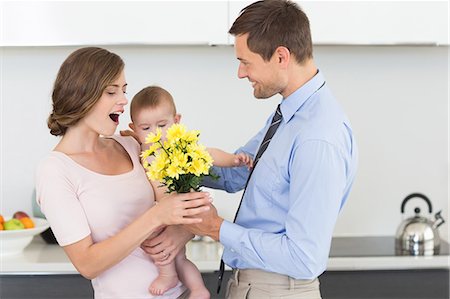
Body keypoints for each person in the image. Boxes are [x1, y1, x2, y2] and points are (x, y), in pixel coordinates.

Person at [141, 1, 358, 298]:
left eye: (246, 61)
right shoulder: (290, 116)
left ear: (281, 56)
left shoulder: (317, 136)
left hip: (279, 290)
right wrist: (169, 158)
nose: (241, 73)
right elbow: (234, 175)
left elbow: (305, 257)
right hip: (253, 286)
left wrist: (216, 228)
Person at [35, 47, 212, 299]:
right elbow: (87, 264)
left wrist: (181, 231)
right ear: (82, 96)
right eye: (111, 91)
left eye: (124, 89)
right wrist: (156, 217)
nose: (124, 100)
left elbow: (187, 208)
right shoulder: (55, 170)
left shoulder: (132, 145)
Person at [128, 85, 253, 298]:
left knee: (161, 247)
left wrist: (233, 160)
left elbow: (209, 154)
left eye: (162, 125)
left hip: (176, 209)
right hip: (162, 211)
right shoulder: (137, 149)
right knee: (179, 257)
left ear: (176, 121)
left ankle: (168, 276)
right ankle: (198, 289)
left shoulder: (180, 147)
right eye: (146, 128)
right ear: (134, 128)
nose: (156, 134)